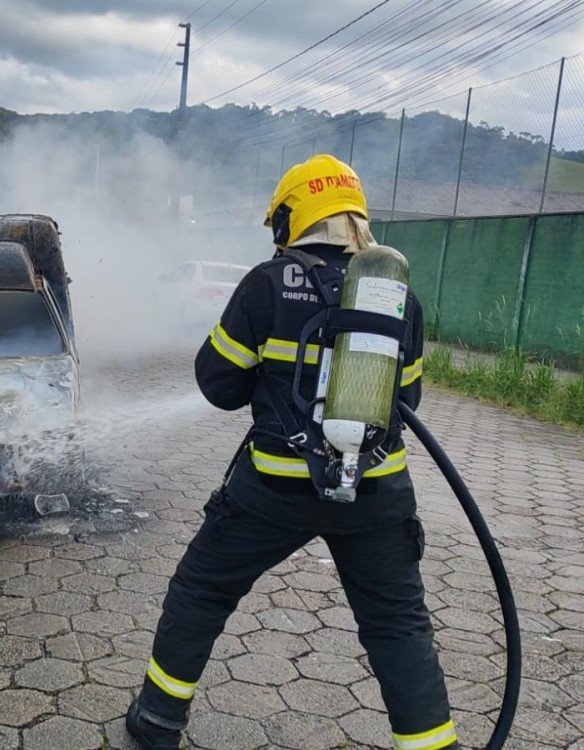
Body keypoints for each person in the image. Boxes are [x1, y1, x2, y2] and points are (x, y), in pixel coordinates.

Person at [126, 154, 457, 750]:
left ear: (290, 219)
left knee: (202, 590)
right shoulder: (398, 298)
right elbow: (407, 400)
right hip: (375, 492)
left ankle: (157, 722)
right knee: (397, 625)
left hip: (274, 488)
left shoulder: (268, 283)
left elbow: (218, 384)